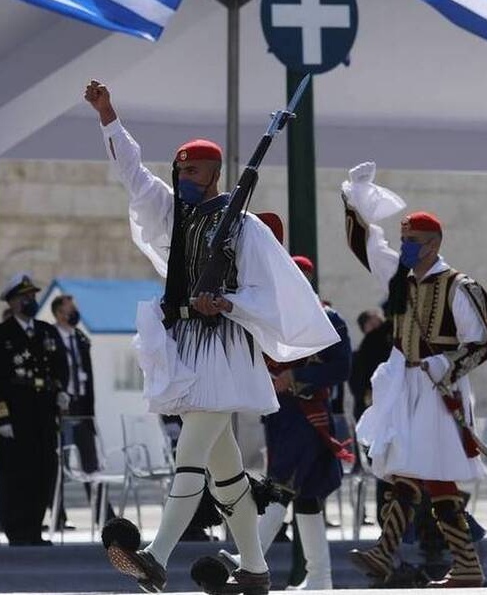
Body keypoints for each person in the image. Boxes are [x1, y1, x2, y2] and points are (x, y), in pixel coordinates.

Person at [85, 81, 338, 595]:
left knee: (191, 456)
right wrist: (109, 116)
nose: (182, 178)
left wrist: (226, 302)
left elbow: (270, 287)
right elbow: (132, 174)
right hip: (188, 346)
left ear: (215, 173)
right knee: (227, 474)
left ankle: (156, 556)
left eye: (192, 171)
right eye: (179, 170)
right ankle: (256, 569)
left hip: (225, 351)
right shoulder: (177, 217)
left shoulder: (244, 227)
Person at [341, 162, 487, 588]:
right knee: (410, 468)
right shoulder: (400, 277)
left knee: (426, 472)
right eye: (404, 240)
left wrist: (445, 365)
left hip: (438, 385)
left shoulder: (459, 286)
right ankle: (450, 563)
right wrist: (354, 197)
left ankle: (396, 554)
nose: (406, 247)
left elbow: (482, 341)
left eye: (413, 242)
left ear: (434, 244)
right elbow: (364, 246)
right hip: (404, 382)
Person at [218, 218, 352, 590]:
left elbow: (341, 367)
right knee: (306, 499)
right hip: (281, 415)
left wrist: (293, 379)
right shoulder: (274, 317)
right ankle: (320, 577)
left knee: (282, 486)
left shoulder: (328, 318)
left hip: (310, 415)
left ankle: (250, 558)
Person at [0, 274, 68, 546]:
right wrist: (1, 419)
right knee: (16, 476)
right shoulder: (1, 335)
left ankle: (34, 528)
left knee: (44, 472)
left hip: (43, 416)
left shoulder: (47, 331)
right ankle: (17, 531)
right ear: (12, 301)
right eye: (25, 298)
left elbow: (60, 367)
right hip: (15, 417)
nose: (30, 301)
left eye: (33, 296)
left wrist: (62, 392)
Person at [51, 293, 111, 525]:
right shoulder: (51, 337)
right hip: (62, 411)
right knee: (59, 466)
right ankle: (58, 515)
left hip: (82, 408)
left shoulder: (80, 339)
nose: (74, 313)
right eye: (70, 309)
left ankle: (103, 515)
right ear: (59, 313)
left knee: (91, 464)